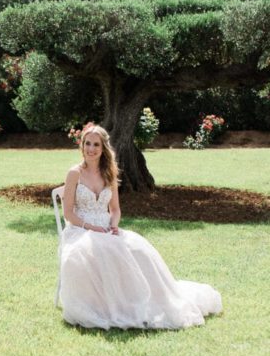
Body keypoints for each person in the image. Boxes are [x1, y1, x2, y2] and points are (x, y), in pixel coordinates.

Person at [59, 124, 222, 330]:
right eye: (87, 144)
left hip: (106, 228)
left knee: (138, 248)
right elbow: (68, 213)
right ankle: (106, 305)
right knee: (97, 251)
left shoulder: (109, 173)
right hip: (80, 230)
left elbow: (115, 209)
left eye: (96, 144)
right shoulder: (74, 173)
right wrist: (90, 227)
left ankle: (141, 302)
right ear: (82, 146)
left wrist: (114, 226)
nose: (91, 149)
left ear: (103, 148)